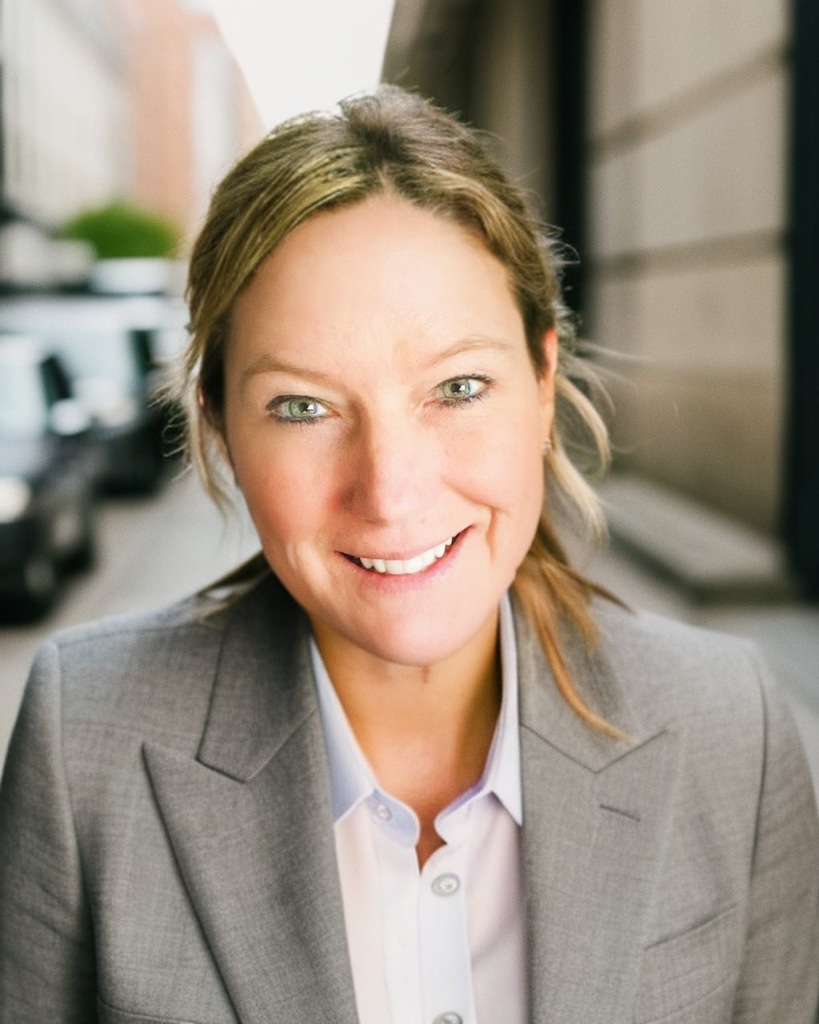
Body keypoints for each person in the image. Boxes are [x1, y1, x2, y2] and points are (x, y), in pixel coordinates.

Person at [0, 86, 817, 1024]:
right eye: (302, 406)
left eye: (459, 387)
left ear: (543, 384)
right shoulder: (86, 742)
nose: (390, 491)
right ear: (220, 428)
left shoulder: (728, 730)